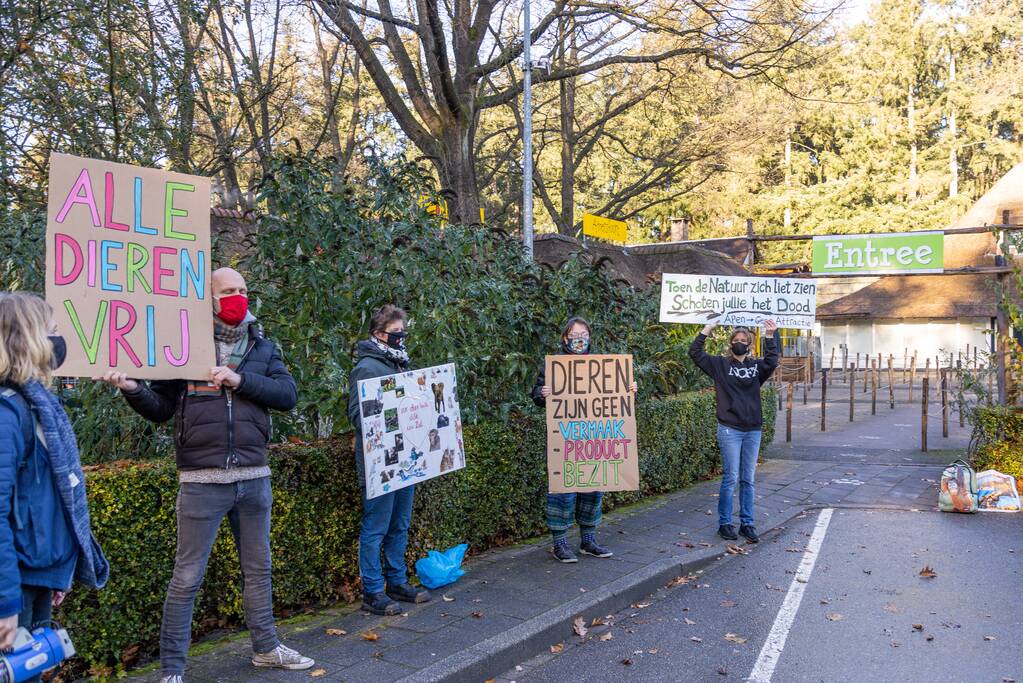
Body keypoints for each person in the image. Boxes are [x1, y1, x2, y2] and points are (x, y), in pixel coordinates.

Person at [100, 267, 312, 683]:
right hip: (201, 481)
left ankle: (267, 649)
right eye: (228, 291)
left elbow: (287, 396)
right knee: (186, 577)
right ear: (209, 299)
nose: (238, 296)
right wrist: (131, 388)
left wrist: (240, 379)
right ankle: (173, 671)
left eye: (243, 290)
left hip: (254, 476)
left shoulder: (262, 346)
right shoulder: (182, 347)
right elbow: (160, 408)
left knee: (259, 569)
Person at [0, 292, 109, 681]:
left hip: (36, 575)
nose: (59, 341)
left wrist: (56, 573)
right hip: (16, 585)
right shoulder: (7, 412)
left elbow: (45, 499)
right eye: (53, 332)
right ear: (28, 338)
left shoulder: (37, 404)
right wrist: (6, 603)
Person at [531, 317, 637, 563]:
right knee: (562, 491)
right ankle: (560, 543)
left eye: (584, 334)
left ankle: (588, 541)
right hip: (566, 438)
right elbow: (536, 395)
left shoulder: (605, 365)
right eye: (574, 335)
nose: (579, 339)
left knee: (593, 486)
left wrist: (629, 389)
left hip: (593, 437)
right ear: (565, 338)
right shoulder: (553, 366)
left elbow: (617, 399)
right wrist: (542, 393)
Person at [347, 305, 431, 615]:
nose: (401, 338)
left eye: (402, 332)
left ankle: (396, 581)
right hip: (379, 462)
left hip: (404, 459)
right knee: (376, 527)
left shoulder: (398, 364)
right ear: (379, 334)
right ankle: (372, 591)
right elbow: (357, 415)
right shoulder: (368, 367)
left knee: (399, 524)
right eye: (396, 333)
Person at [688, 320, 779, 543]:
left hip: (753, 430)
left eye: (744, 341)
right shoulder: (720, 365)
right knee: (731, 477)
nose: (739, 343)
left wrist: (770, 335)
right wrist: (707, 328)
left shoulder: (756, 367)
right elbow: (695, 353)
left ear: (749, 345)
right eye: (736, 340)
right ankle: (725, 523)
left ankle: (747, 523)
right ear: (730, 344)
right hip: (729, 429)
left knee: (748, 479)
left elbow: (772, 360)